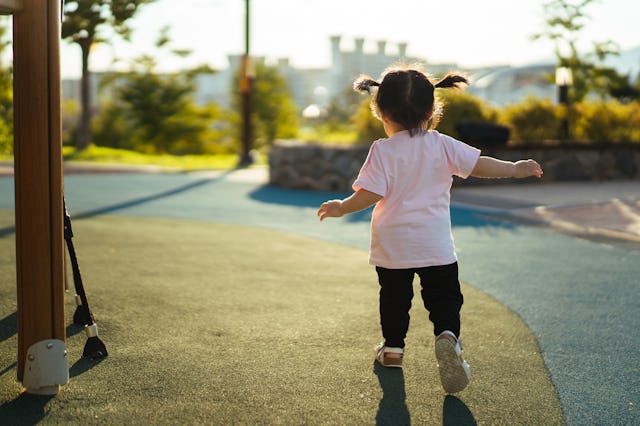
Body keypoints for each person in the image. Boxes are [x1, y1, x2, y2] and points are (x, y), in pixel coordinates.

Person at [316, 64, 543, 394]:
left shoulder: (382, 150)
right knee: (445, 297)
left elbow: (370, 193)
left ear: (381, 111)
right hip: (434, 244)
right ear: (432, 110)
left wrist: (341, 207)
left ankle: (393, 349)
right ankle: (448, 336)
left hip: (393, 245)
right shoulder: (442, 145)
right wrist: (515, 168)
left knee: (394, 298)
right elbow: (479, 165)